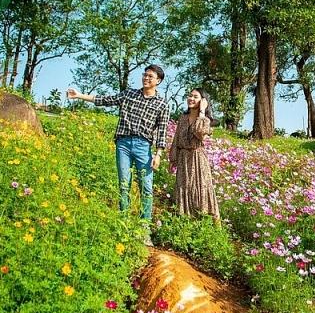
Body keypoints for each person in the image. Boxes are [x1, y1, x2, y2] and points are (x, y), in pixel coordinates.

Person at [66, 65, 170, 234]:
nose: (146, 78)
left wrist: (158, 154)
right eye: (145, 75)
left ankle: (144, 228)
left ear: (158, 81)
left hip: (144, 146)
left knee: (147, 186)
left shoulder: (162, 104)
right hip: (123, 144)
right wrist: (79, 95)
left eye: (150, 76)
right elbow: (105, 100)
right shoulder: (129, 94)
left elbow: (162, 131)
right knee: (124, 185)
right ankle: (124, 222)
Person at [168, 88, 220, 220]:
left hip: (198, 159)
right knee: (184, 187)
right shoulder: (183, 118)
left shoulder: (206, 120)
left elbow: (200, 132)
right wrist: (172, 159)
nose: (191, 98)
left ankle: (206, 222)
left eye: (195, 97)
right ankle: (185, 220)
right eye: (190, 96)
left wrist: (202, 112)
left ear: (203, 101)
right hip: (184, 159)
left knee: (201, 188)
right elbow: (176, 139)